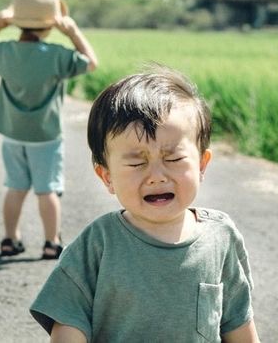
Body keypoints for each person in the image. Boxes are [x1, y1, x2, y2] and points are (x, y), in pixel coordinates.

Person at [30, 66, 260, 342]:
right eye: (137, 163)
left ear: (201, 164)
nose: (156, 176)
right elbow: (69, 321)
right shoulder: (100, 243)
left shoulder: (220, 237)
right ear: (107, 176)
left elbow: (237, 319)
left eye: (173, 159)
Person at [0, 0, 98, 260]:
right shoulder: (57, 55)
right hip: (46, 136)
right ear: (52, 24)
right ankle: (51, 242)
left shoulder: (3, 51)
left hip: (12, 133)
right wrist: (73, 32)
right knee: (47, 190)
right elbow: (91, 62)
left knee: (15, 187)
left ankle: (9, 239)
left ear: (15, 21)